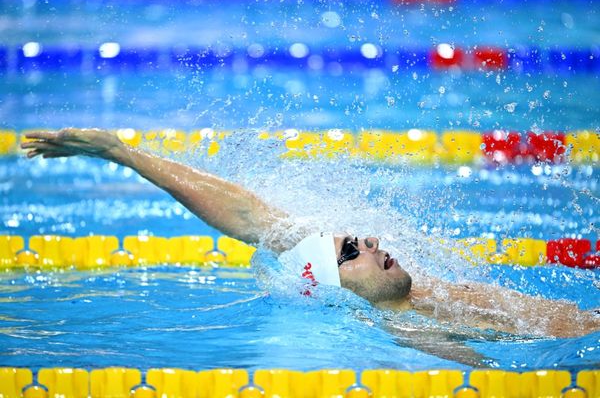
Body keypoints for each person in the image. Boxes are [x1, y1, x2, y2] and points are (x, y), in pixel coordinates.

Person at [21, 128, 599, 340]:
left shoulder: (419, 297)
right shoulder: (413, 333)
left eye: (360, 240)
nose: (371, 243)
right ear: (332, 286)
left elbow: (248, 217)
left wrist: (125, 154)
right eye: (352, 251)